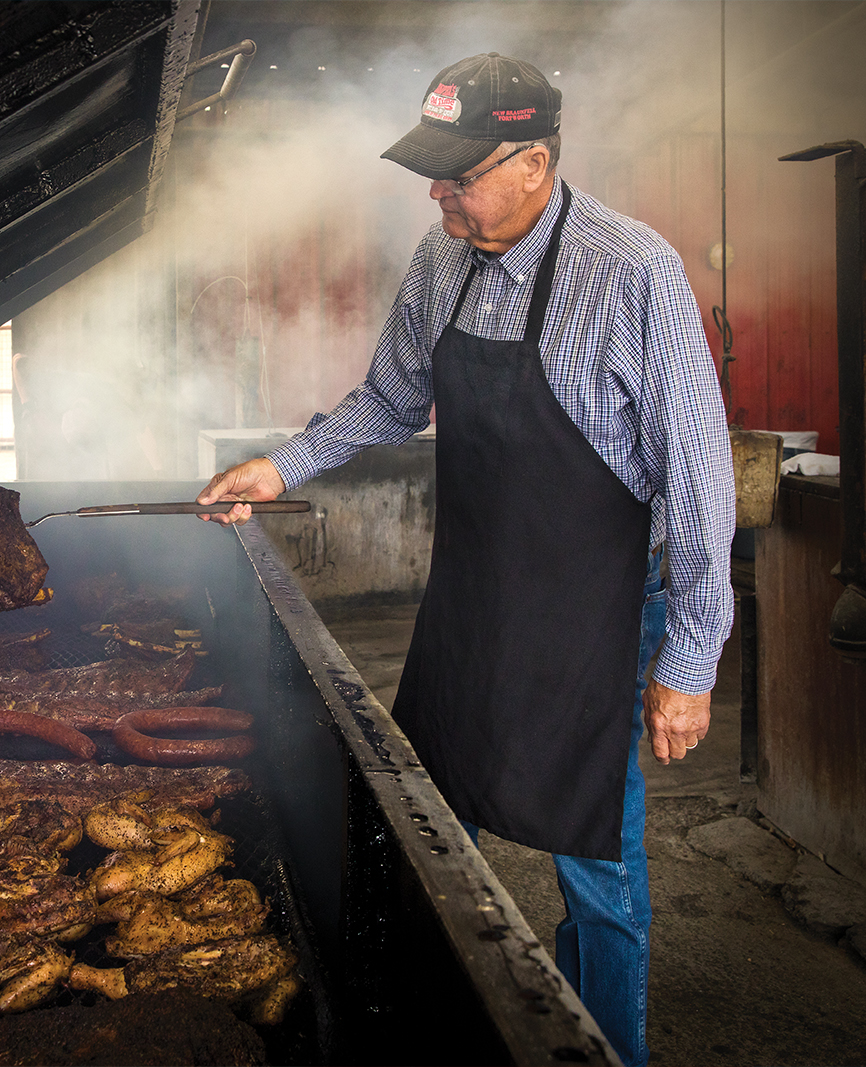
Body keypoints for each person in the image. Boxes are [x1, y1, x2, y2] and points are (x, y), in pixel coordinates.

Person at [195, 53, 734, 1067]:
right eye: (432, 173)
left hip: (601, 605)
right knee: (432, 819)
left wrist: (691, 661)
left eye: (459, 175)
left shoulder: (633, 272)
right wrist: (280, 464)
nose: (438, 195)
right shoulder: (441, 260)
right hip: (474, 596)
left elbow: (701, 478)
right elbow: (391, 398)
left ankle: (605, 1051)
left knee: (596, 861)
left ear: (535, 163)